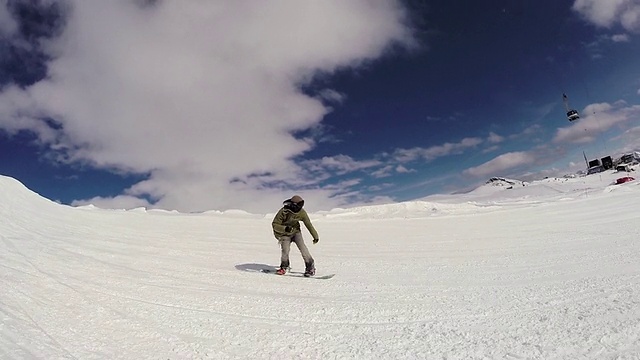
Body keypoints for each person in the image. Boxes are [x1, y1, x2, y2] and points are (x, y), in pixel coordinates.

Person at [271, 195, 319, 277]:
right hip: (284, 234)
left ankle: (310, 267)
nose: (300, 207)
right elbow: (275, 224)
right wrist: (285, 229)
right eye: (299, 205)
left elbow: (308, 224)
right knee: (285, 250)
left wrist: (315, 236)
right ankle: (284, 266)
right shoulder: (283, 211)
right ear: (293, 204)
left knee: (303, 249)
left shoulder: (302, 212)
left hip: (296, 232)